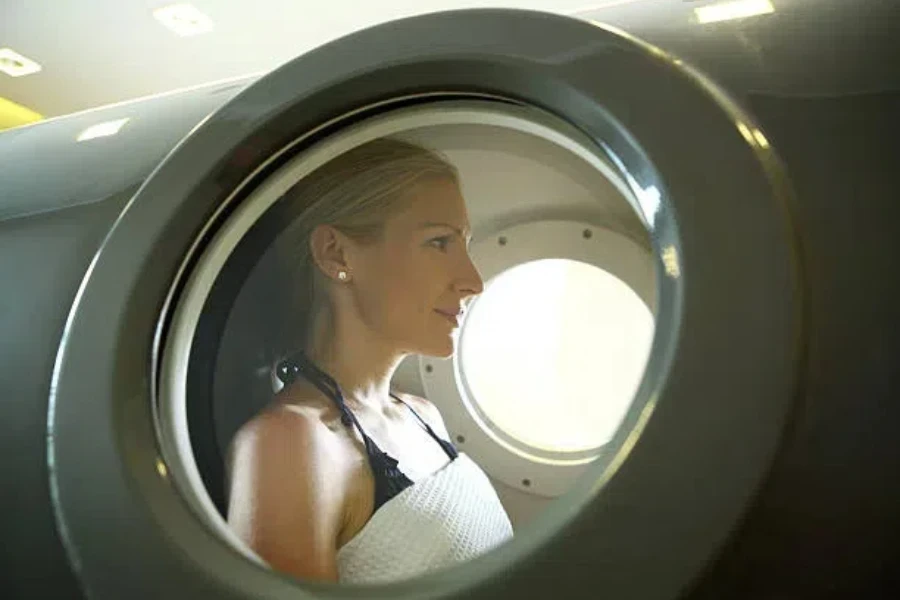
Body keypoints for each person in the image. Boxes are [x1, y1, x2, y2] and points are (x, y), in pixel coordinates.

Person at [225, 138, 514, 584]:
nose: (472, 281)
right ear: (336, 254)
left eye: (464, 244)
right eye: (439, 242)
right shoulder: (289, 443)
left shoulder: (423, 415)